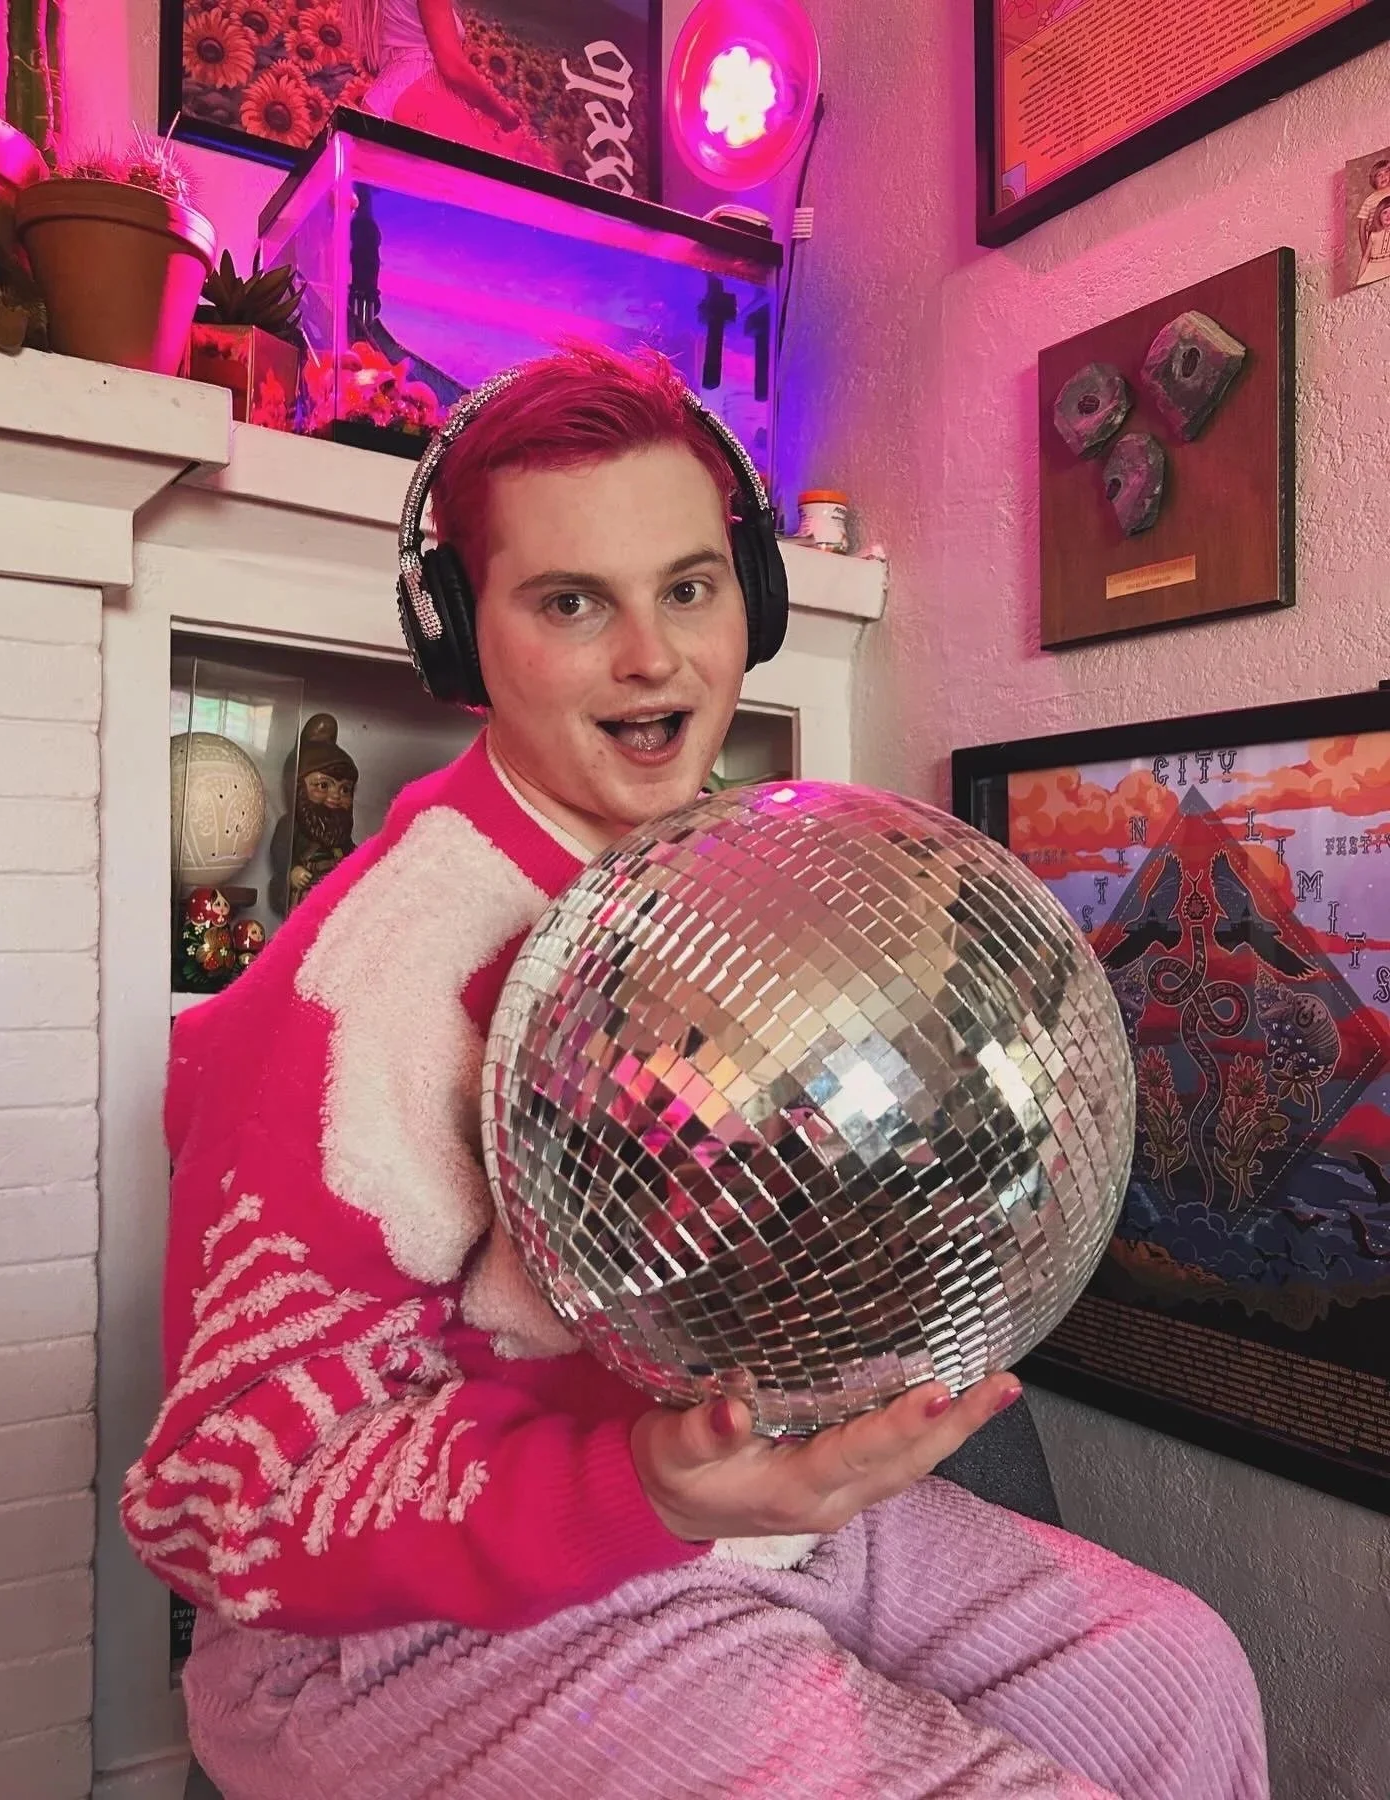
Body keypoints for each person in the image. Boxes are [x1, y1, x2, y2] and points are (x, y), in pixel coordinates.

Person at [123, 346, 1269, 1800]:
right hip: (407, 1634)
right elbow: (217, 1491)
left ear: (752, 600)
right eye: (570, 603)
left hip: (745, 1512)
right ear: (465, 643)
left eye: (687, 587)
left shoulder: (744, 887)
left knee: (1173, 1666)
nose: (654, 658)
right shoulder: (370, 986)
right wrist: (638, 1487)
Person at [340, 0, 551, 165]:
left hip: (378, 99)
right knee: (476, 199)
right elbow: (453, 68)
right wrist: (505, 117)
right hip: (423, 83)